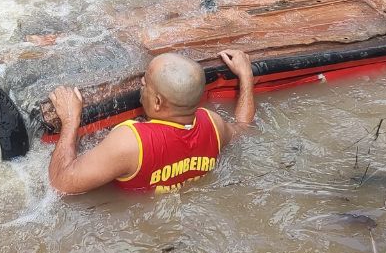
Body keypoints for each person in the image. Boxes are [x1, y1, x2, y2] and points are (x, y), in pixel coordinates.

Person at [46, 49, 255, 195]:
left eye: (145, 84)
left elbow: (61, 183)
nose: (140, 86)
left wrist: (71, 120)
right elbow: (243, 127)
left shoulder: (130, 142)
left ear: (157, 102)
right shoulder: (214, 125)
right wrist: (246, 76)